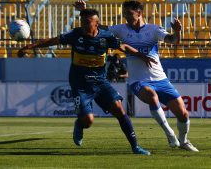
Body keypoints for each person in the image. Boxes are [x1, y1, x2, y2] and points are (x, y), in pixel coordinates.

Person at [18, 8, 153, 155]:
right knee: (88, 121)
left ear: (97, 23)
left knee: (120, 110)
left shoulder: (106, 37)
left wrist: (142, 55)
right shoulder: (75, 35)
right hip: (80, 84)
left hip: (101, 82)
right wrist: (30, 46)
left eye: (87, 22)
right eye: (82, 21)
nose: (83, 24)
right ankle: (80, 124)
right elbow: (52, 40)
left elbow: (124, 46)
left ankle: (135, 147)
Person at [74, 0, 199, 152]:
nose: (126, 16)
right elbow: (97, 27)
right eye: (124, 13)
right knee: (151, 96)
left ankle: (184, 141)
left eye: (129, 13)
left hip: (161, 79)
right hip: (138, 80)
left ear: (139, 13)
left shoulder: (153, 30)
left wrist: (177, 31)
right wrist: (85, 11)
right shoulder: (120, 30)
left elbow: (172, 40)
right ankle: (169, 133)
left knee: (184, 114)